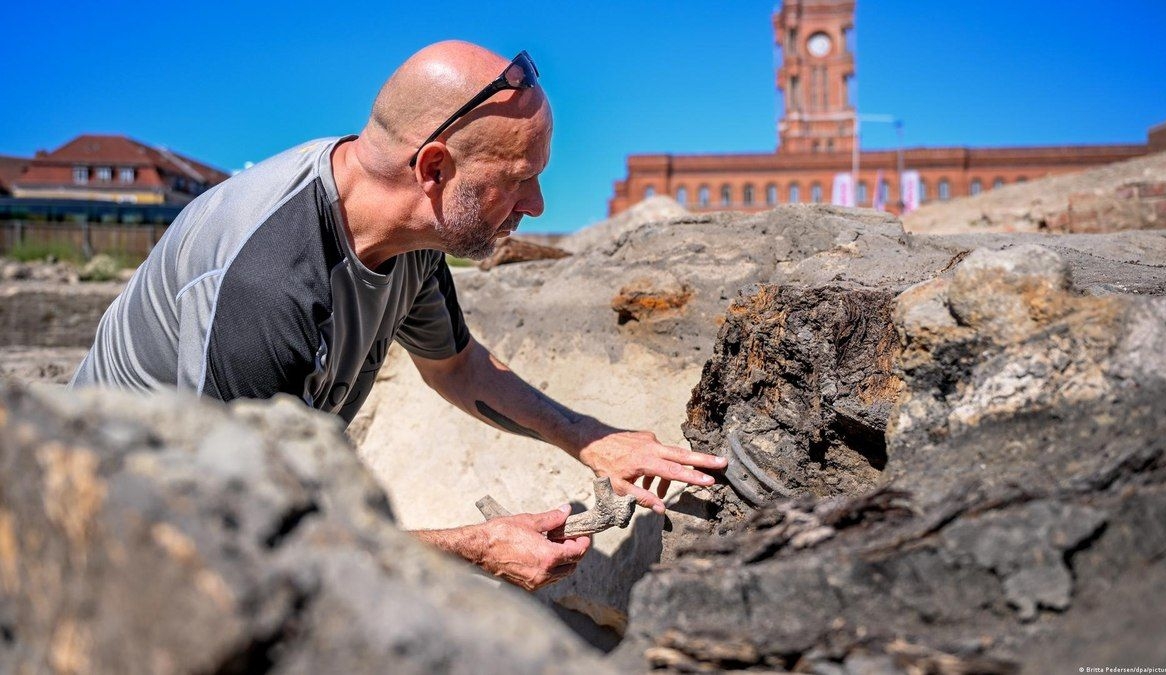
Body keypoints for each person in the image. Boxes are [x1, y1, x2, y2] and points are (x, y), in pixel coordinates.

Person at [71, 41, 726, 591]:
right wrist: (478, 548)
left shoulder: (406, 230)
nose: (538, 204)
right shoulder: (268, 285)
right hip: (106, 536)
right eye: (519, 178)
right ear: (434, 167)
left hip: (228, 509)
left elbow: (457, 366)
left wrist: (586, 436)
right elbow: (238, 535)